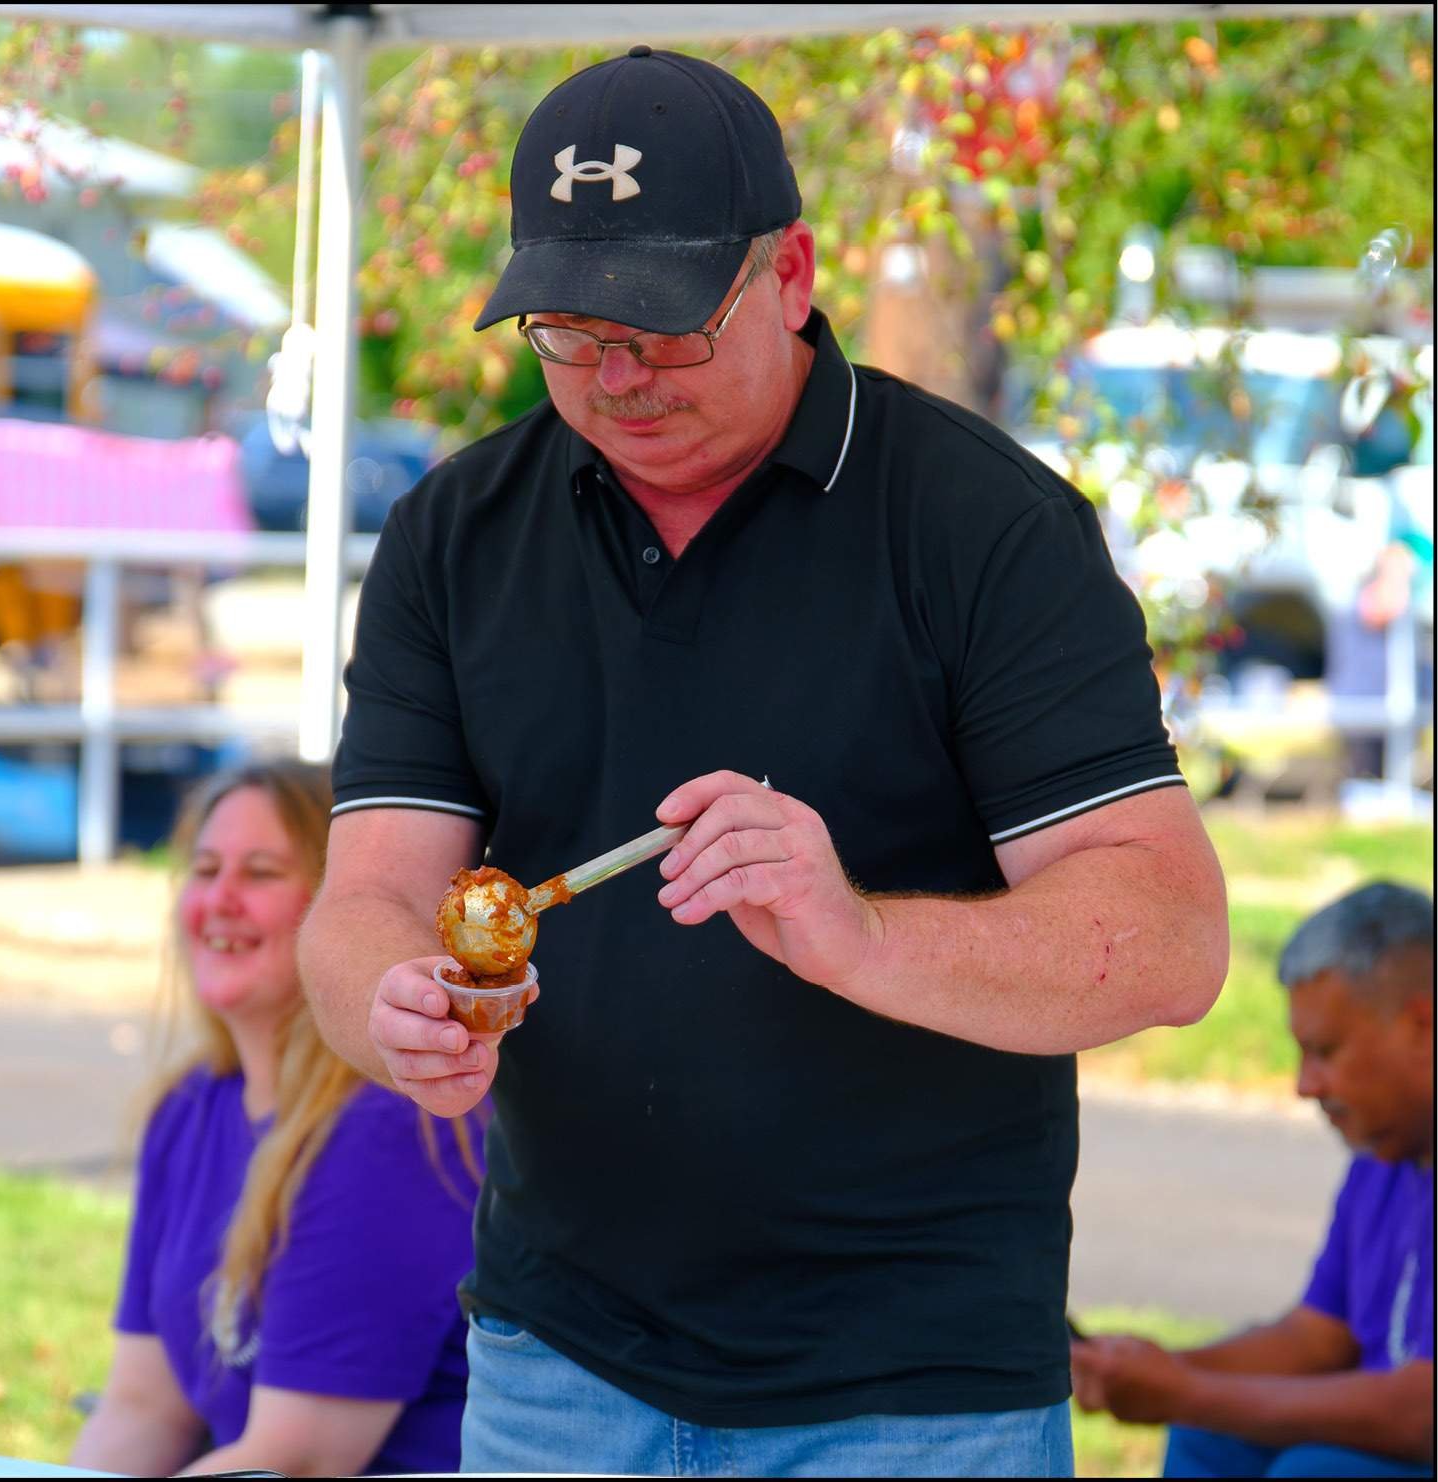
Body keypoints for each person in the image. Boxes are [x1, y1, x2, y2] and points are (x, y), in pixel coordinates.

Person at [299, 46, 1229, 1478]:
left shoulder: (982, 526)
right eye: (565, 331)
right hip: (557, 1365)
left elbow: (1168, 940)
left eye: (662, 326)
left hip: (910, 1397)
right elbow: (362, 900)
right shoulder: (453, 535)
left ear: (788, 274)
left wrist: (857, 935)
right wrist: (393, 1006)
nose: (616, 378)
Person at [70, 760, 482, 1478]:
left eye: (260, 873)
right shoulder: (190, 1107)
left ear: (338, 915)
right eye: (204, 870)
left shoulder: (388, 1128)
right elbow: (143, 1410)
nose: (219, 900)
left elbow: (293, 1461)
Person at [1072, 881, 1434, 1478]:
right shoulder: (1381, 1156)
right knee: (1208, 1440)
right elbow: (1317, 1339)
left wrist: (1187, 1392)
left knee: (1314, 1473)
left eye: (1325, 1051)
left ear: (1422, 1023)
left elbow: (1422, 1414)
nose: (1305, 1086)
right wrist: (1159, 1371)